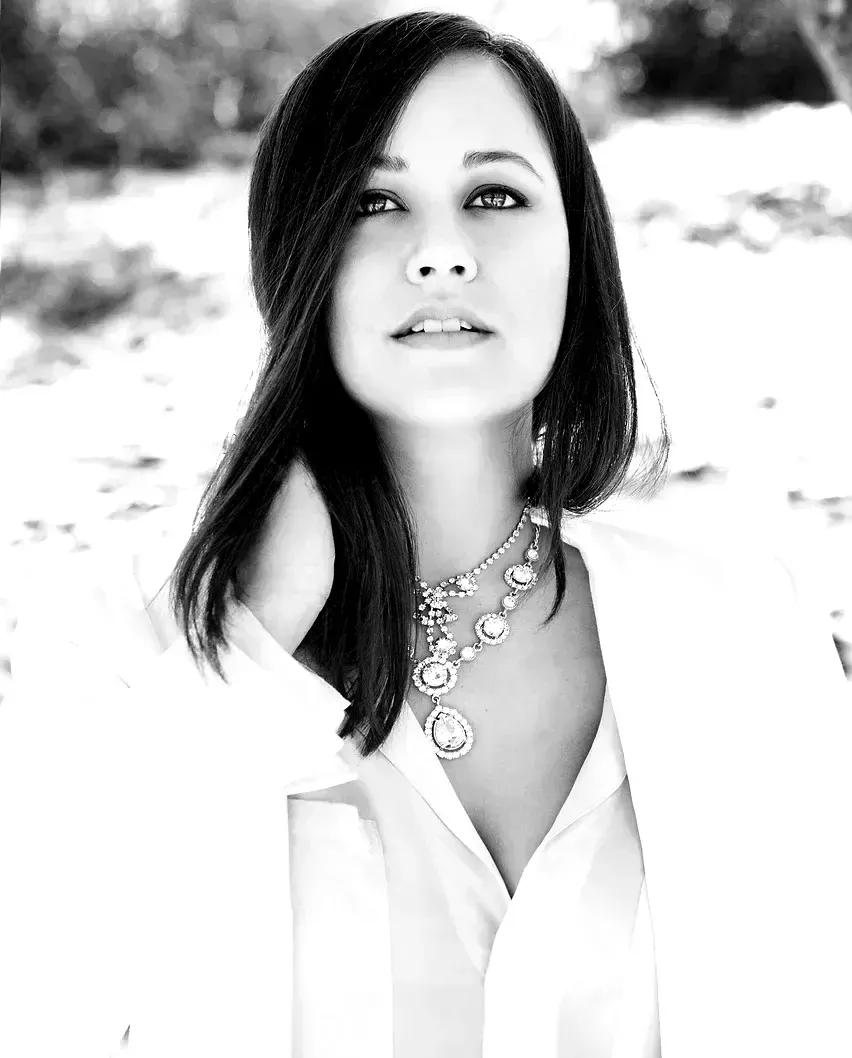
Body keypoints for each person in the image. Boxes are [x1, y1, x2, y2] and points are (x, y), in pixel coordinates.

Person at [1, 10, 850, 1058]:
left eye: (494, 195)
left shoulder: (740, 616)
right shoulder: (112, 632)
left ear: (577, 253)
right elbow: (41, 1005)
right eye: (374, 200)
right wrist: (247, 657)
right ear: (294, 252)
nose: (442, 251)